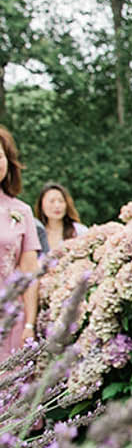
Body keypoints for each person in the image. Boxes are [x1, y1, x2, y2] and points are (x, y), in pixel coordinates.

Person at [0, 125, 40, 357]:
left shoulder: (21, 211)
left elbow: (29, 273)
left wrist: (29, 324)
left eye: (1, 156)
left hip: (11, 317)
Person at [35, 181, 86, 261]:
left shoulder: (79, 231)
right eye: (52, 201)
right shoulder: (36, 233)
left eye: (61, 201)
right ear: (41, 205)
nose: (57, 205)